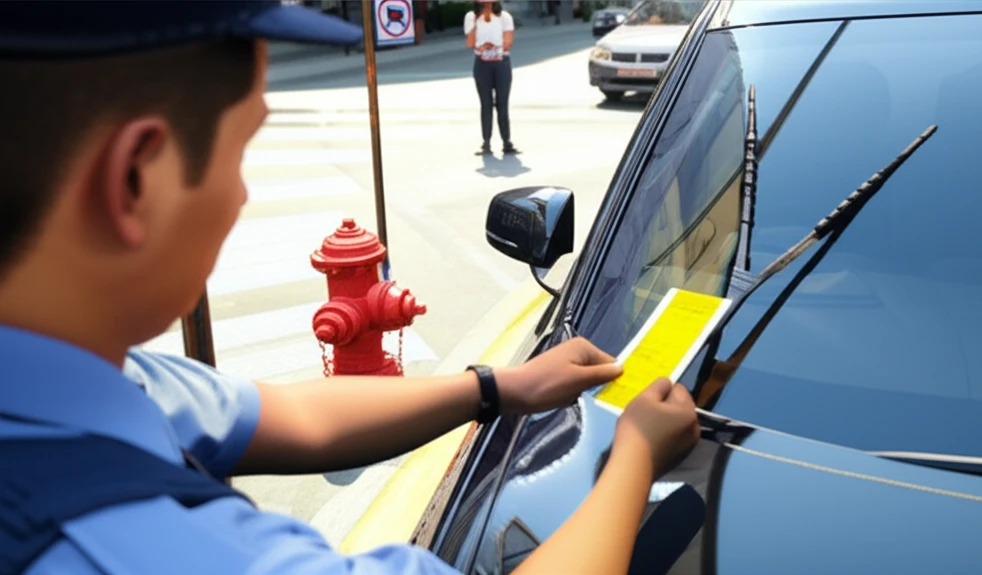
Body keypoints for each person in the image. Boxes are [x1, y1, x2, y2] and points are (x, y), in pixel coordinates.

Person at [0, 1, 701, 574]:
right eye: (240, 151)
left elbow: (294, 417)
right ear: (135, 180)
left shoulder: (86, 377)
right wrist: (635, 455)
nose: (241, 195)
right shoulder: (162, 552)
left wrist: (495, 387)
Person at [465, 0, 520, 156]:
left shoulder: (504, 17)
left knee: (502, 103)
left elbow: (508, 41)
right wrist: (476, 23)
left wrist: (494, 47)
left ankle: (506, 142)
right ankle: (486, 142)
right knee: (486, 104)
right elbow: (470, 42)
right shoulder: (471, 17)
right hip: (482, 63)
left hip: (501, 62)